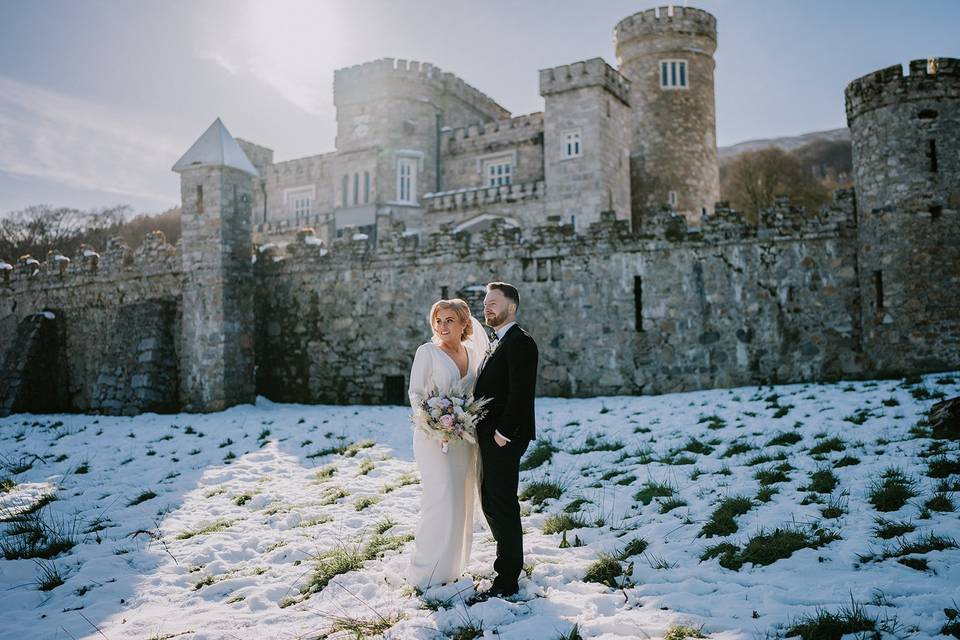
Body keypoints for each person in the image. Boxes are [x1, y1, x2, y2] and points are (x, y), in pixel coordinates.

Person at [406, 298, 490, 590]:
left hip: (464, 440)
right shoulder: (427, 352)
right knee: (439, 499)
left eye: (449, 320)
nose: (442, 326)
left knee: (461, 500)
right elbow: (416, 394)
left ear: (464, 323)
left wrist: (460, 419)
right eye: (438, 321)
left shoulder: (472, 353)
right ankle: (426, 571)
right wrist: (434, 420)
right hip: (433, 438)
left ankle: (452, 567)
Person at [474, 282, 538, 598]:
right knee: (490, 501)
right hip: (488, 435)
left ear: (510, 307)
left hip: (504, 437)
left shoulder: (520, 342)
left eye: (493, 303)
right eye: (485, 303)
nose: (487, 307)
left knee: (503, 504)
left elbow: (521, 393)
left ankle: (507, 579)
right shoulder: (496, 341)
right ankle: (507, 563)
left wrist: (503, 433)